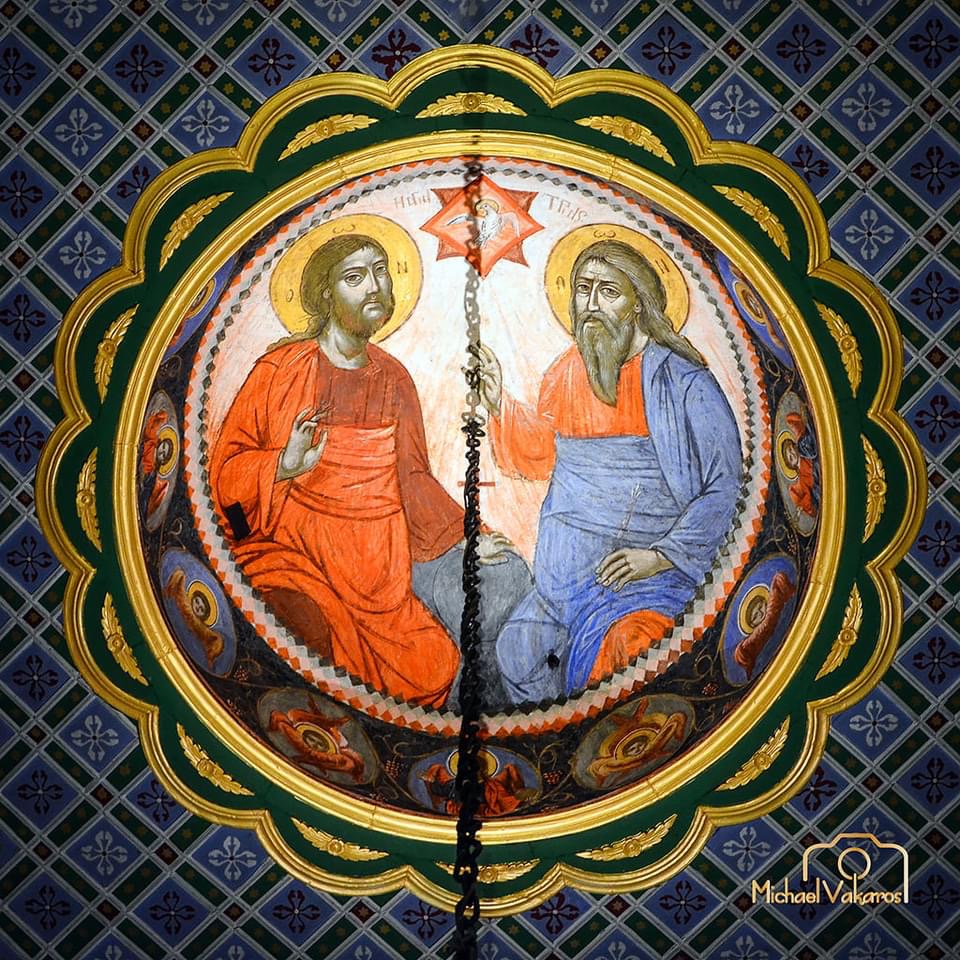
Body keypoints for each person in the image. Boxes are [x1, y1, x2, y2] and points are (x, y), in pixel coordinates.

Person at [209, 234, 514, 708]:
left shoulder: (394, 378)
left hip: (379, 570)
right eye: (355, 277)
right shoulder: (280, 370)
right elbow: (224, 476)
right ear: (325, 295)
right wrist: (282, 465)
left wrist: (469, 535)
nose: (374, 286)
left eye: (380, 272)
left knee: (433, 663)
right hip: (299, 556)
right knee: (302, 628)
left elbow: (412, 479)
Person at [476, 239, 742, 702]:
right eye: (583, 289)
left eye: (608, 291)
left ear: (638, 303)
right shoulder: (566, 372)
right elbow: (542, 453)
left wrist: (659, 556)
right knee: (517, 651)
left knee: (625, 648)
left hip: (645, 580)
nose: (592, 304)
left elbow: (725, 488)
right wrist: (499, 402)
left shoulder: (683, 382)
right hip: (564, 585)